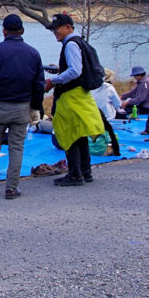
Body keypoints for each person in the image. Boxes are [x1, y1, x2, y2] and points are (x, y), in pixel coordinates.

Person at [0, 14, 44, 199]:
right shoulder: (33, 53)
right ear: (22, 30)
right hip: (22, 108)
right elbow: (38, 84)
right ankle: (11, 188)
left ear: (4, 31)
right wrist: (36, 108)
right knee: (16, 147)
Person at [43, 14, 105, 187]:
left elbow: (75, 71)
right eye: (54, 28)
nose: (55, 31)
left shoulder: (70, 44)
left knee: (69, 134)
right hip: (82, 94)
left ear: (69, 27)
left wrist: (53, 81)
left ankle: (75, 174)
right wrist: (59, 70)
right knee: (80, 135)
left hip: (71, 96)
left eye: (58, 28)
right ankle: (86, 171)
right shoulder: (81, 42)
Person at [121, 66, 149, 133]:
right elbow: (132, 92)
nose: (134, 77)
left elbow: (140, 98)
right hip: (143, 105)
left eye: (135, 76)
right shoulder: (142, 81)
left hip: (147, 107)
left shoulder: (145, 83)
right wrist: (122, 96)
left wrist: (127, 102)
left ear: (139, 75)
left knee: (126, 109)